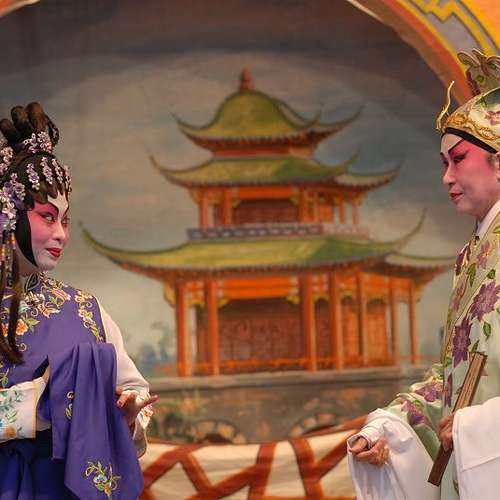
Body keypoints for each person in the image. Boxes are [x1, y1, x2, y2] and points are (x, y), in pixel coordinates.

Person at [348, 49, 500, 500]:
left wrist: (478, 426)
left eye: (459, 159)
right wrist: (387, 428)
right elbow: (456, 378)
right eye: (443, 164)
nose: (446, 178)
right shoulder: (474, 255)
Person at [0, 102, 157, 499]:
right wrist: (38, 403)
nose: (61, 234)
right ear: (7, 215)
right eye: (47, 217)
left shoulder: (85, 309)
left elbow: (134, 389)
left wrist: (126, 416)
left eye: (65, 219)